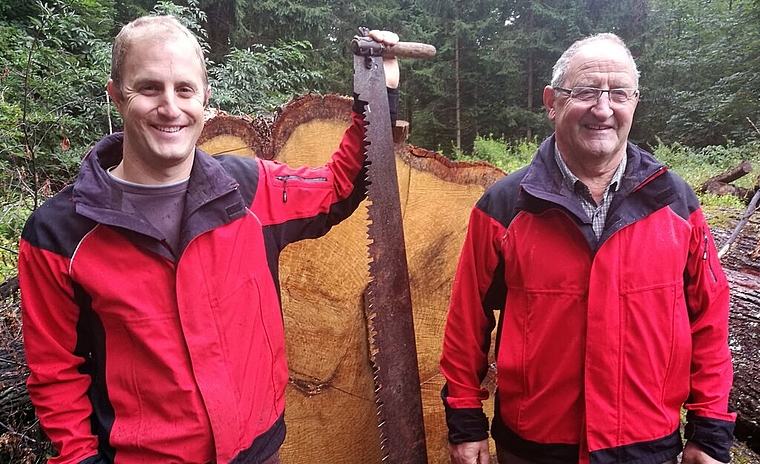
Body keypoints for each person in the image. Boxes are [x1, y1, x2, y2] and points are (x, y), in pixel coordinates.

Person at [18, 15, 400, 464]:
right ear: (117, 96)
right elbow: (55, 373)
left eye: (184, 89)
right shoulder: (60, 234)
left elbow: (341, 184)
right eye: (149, 88)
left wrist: (378, 91)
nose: (170, 106)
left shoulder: (248, 191)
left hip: (257, 452)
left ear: (205, 100)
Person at [440, 32, 736, 464]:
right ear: (551, 101)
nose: (603, 108)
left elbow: (709, 319)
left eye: (618, 93)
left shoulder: (676, 204)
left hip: (645, 446)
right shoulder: (505, 207)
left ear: (634, 101)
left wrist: (710, 430)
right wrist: (465, 422)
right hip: (534, 448)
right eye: (585, 92)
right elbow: (467, 323)